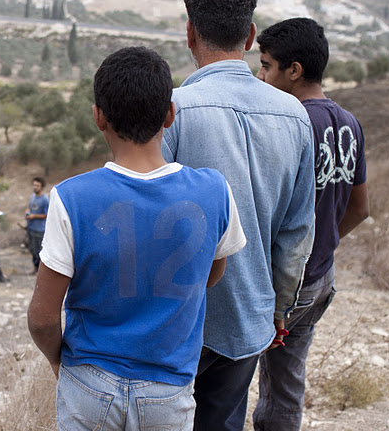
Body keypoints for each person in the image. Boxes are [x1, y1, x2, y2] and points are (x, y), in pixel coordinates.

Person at [27, 46, 247, 430]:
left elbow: (43, 318)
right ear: (170, 114)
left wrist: (59, 361)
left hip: (90, 383)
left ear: (98, 117)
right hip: (169, 387)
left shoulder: (71, 197)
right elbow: (211, 275)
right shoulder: (215, 190)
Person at [161, 0, 316, 430]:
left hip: (179, 320)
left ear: (190, 32)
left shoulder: (175, 110)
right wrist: (277, 312)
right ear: (250, 35)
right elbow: (295, 233)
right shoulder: (295, 116)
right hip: (249, 315)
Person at [253, 17, 369, 430]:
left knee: (225, 381)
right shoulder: (349, 123)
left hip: (283, 285)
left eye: (266, 66)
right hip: (321, 280)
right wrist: (323, 243)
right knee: (285, 388)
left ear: (294, 70)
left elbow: (267, 208)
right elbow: (358, 208)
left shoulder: (293, 123)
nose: (260, 75)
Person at [25, 177, 49, 275]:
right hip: (30, 227)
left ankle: (41, 271)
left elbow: (47, 215)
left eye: (37, 186)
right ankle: (35, 268)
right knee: (32, 249)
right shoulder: (33, 196)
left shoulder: (45, 200)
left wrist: (34, 216)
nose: (35, 187)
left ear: (42, 187)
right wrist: (27, 212)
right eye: (34, 185)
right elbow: (29, 207)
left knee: (38, 250)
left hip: (39, 229)